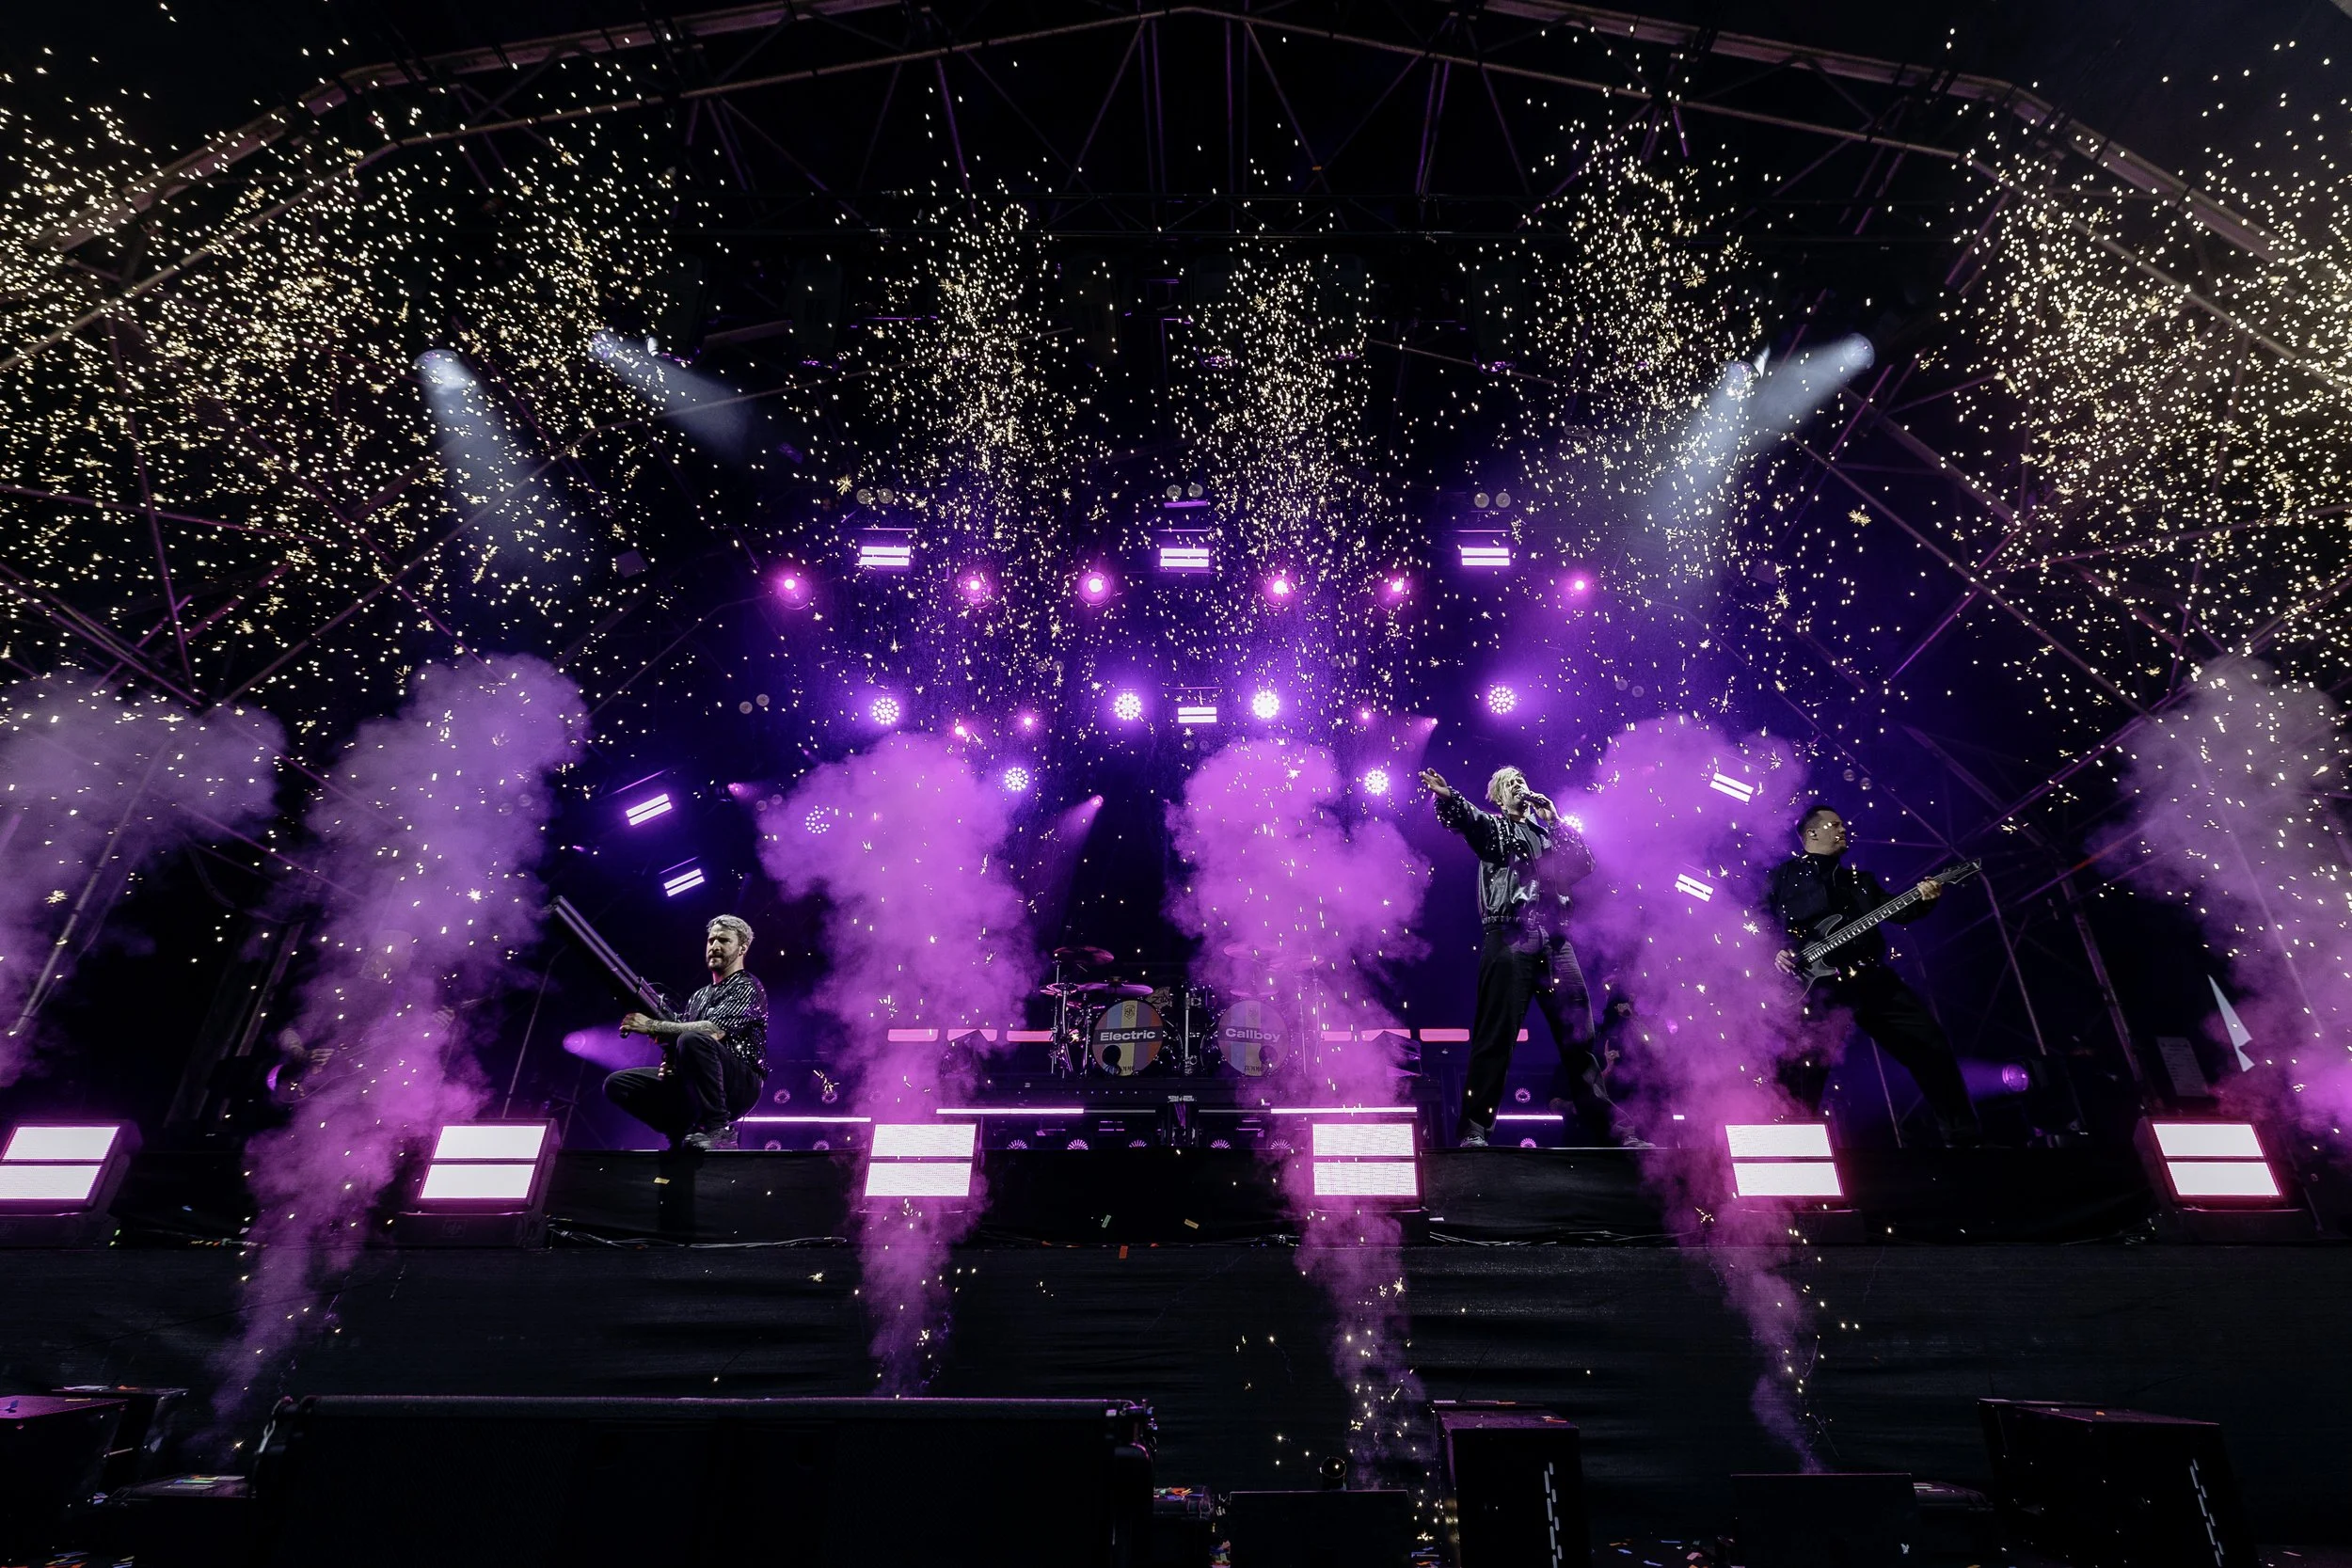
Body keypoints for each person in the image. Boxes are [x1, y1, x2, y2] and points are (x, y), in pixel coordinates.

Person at [1419, 764, 1623, 1148]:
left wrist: (1556, 821)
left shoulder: (1548, 836)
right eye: (1507, 784)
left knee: (1579, 1036)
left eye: (1521, 780)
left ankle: (1608, 1127)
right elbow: (1472, 822)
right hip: (1511, 933)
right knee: (1496, 1036)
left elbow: (1584, 864)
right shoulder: (1496, 829)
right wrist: (1449, 798)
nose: (1517, 786)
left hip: (1556, 941)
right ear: (1497, 796)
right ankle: (1475, 1128)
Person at [1767, 804, 1980, 1146]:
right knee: (1804, 1070)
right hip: (1815, 990)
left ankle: (1964, 1136)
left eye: (1842, 824)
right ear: (1812, 833)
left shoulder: (1859, 881)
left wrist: (1925, 899)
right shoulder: (1783, 876)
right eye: (1834, 825)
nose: (1842, 830)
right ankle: (1793, 1154)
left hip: (1868, 978)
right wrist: (1776, 948)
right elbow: (1760, 919)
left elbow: (1900, 910)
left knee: (1928, 1043)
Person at [605, 914, 770, 1151]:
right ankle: (681, 1132)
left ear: (742, 947)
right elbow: (682, 1036)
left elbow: (711, 1031)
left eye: (723, 940)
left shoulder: (747, 985)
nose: (714, 946)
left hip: (739, 1083)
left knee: (693, 1038)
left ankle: (719, 1131)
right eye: (711, 940)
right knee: (619, 1084)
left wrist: (651, 1025)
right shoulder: (699, 996)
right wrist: (672, 1062)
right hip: (699, 1084)